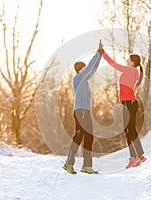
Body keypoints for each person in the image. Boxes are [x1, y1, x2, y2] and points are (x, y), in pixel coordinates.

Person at [63, 41, 104, 174]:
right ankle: (69, 163)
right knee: (79, 136)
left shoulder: (84, 80)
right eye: (85, 68)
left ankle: (87, 166)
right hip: (80, 111)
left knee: (89, 137)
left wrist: (100, 56)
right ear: (81, 69)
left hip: (85, 112)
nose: (88, 70)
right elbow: (90, 67)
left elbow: (93, 68)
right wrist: (97, 53)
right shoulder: (78, 78)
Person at [102, 50, 147, 169]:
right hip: (130, 103)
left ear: (132, 62)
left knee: (129, 131)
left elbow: (113, 64)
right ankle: (139, 156)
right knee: (131, 130)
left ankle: (134, 158)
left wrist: (103, 54)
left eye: (128, 59)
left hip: (129, 103)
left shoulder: (130, 70)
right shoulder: (135, 72)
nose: (126, 61)